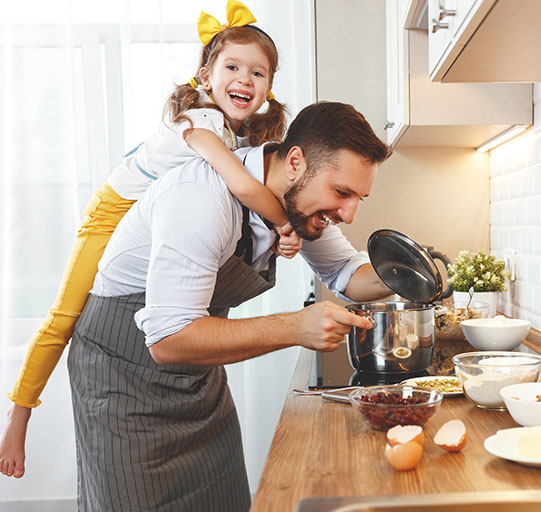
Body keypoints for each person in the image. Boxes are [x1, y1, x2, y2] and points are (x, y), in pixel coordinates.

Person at [0, 0, 299, 479]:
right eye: (232, 66)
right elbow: (244, 188)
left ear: (268, 89)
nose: (245, 78)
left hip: (149, 220)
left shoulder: (240, 137)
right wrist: (288, 224)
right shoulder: (201, 122)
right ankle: (18, 416)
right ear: (204, 76)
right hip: (113, 212)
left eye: (258, 72)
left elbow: (244, 204)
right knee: (64, 316)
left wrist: (278, 237)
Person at [68, 100, 392, 511]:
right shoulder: (202, 198)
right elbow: (169, 339)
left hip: (198, 380)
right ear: (295, 161)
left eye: (359, 197)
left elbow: (347, 273)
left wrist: (414, 274)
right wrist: (295, 328)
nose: (348, 212)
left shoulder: (297, 203)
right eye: (342, 192)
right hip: (123, 382)